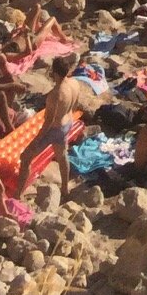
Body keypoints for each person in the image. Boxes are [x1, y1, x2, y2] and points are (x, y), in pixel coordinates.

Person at [33, 55, 97, 200]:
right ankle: (64, 188)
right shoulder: (74, 83)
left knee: (26, 157)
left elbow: (48, 121)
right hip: (67, 123)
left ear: (54, 73)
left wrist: (37, 139)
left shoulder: (55, 94)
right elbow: (74, 105)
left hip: (54, 129)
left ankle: (17, 194)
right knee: (62, 156)